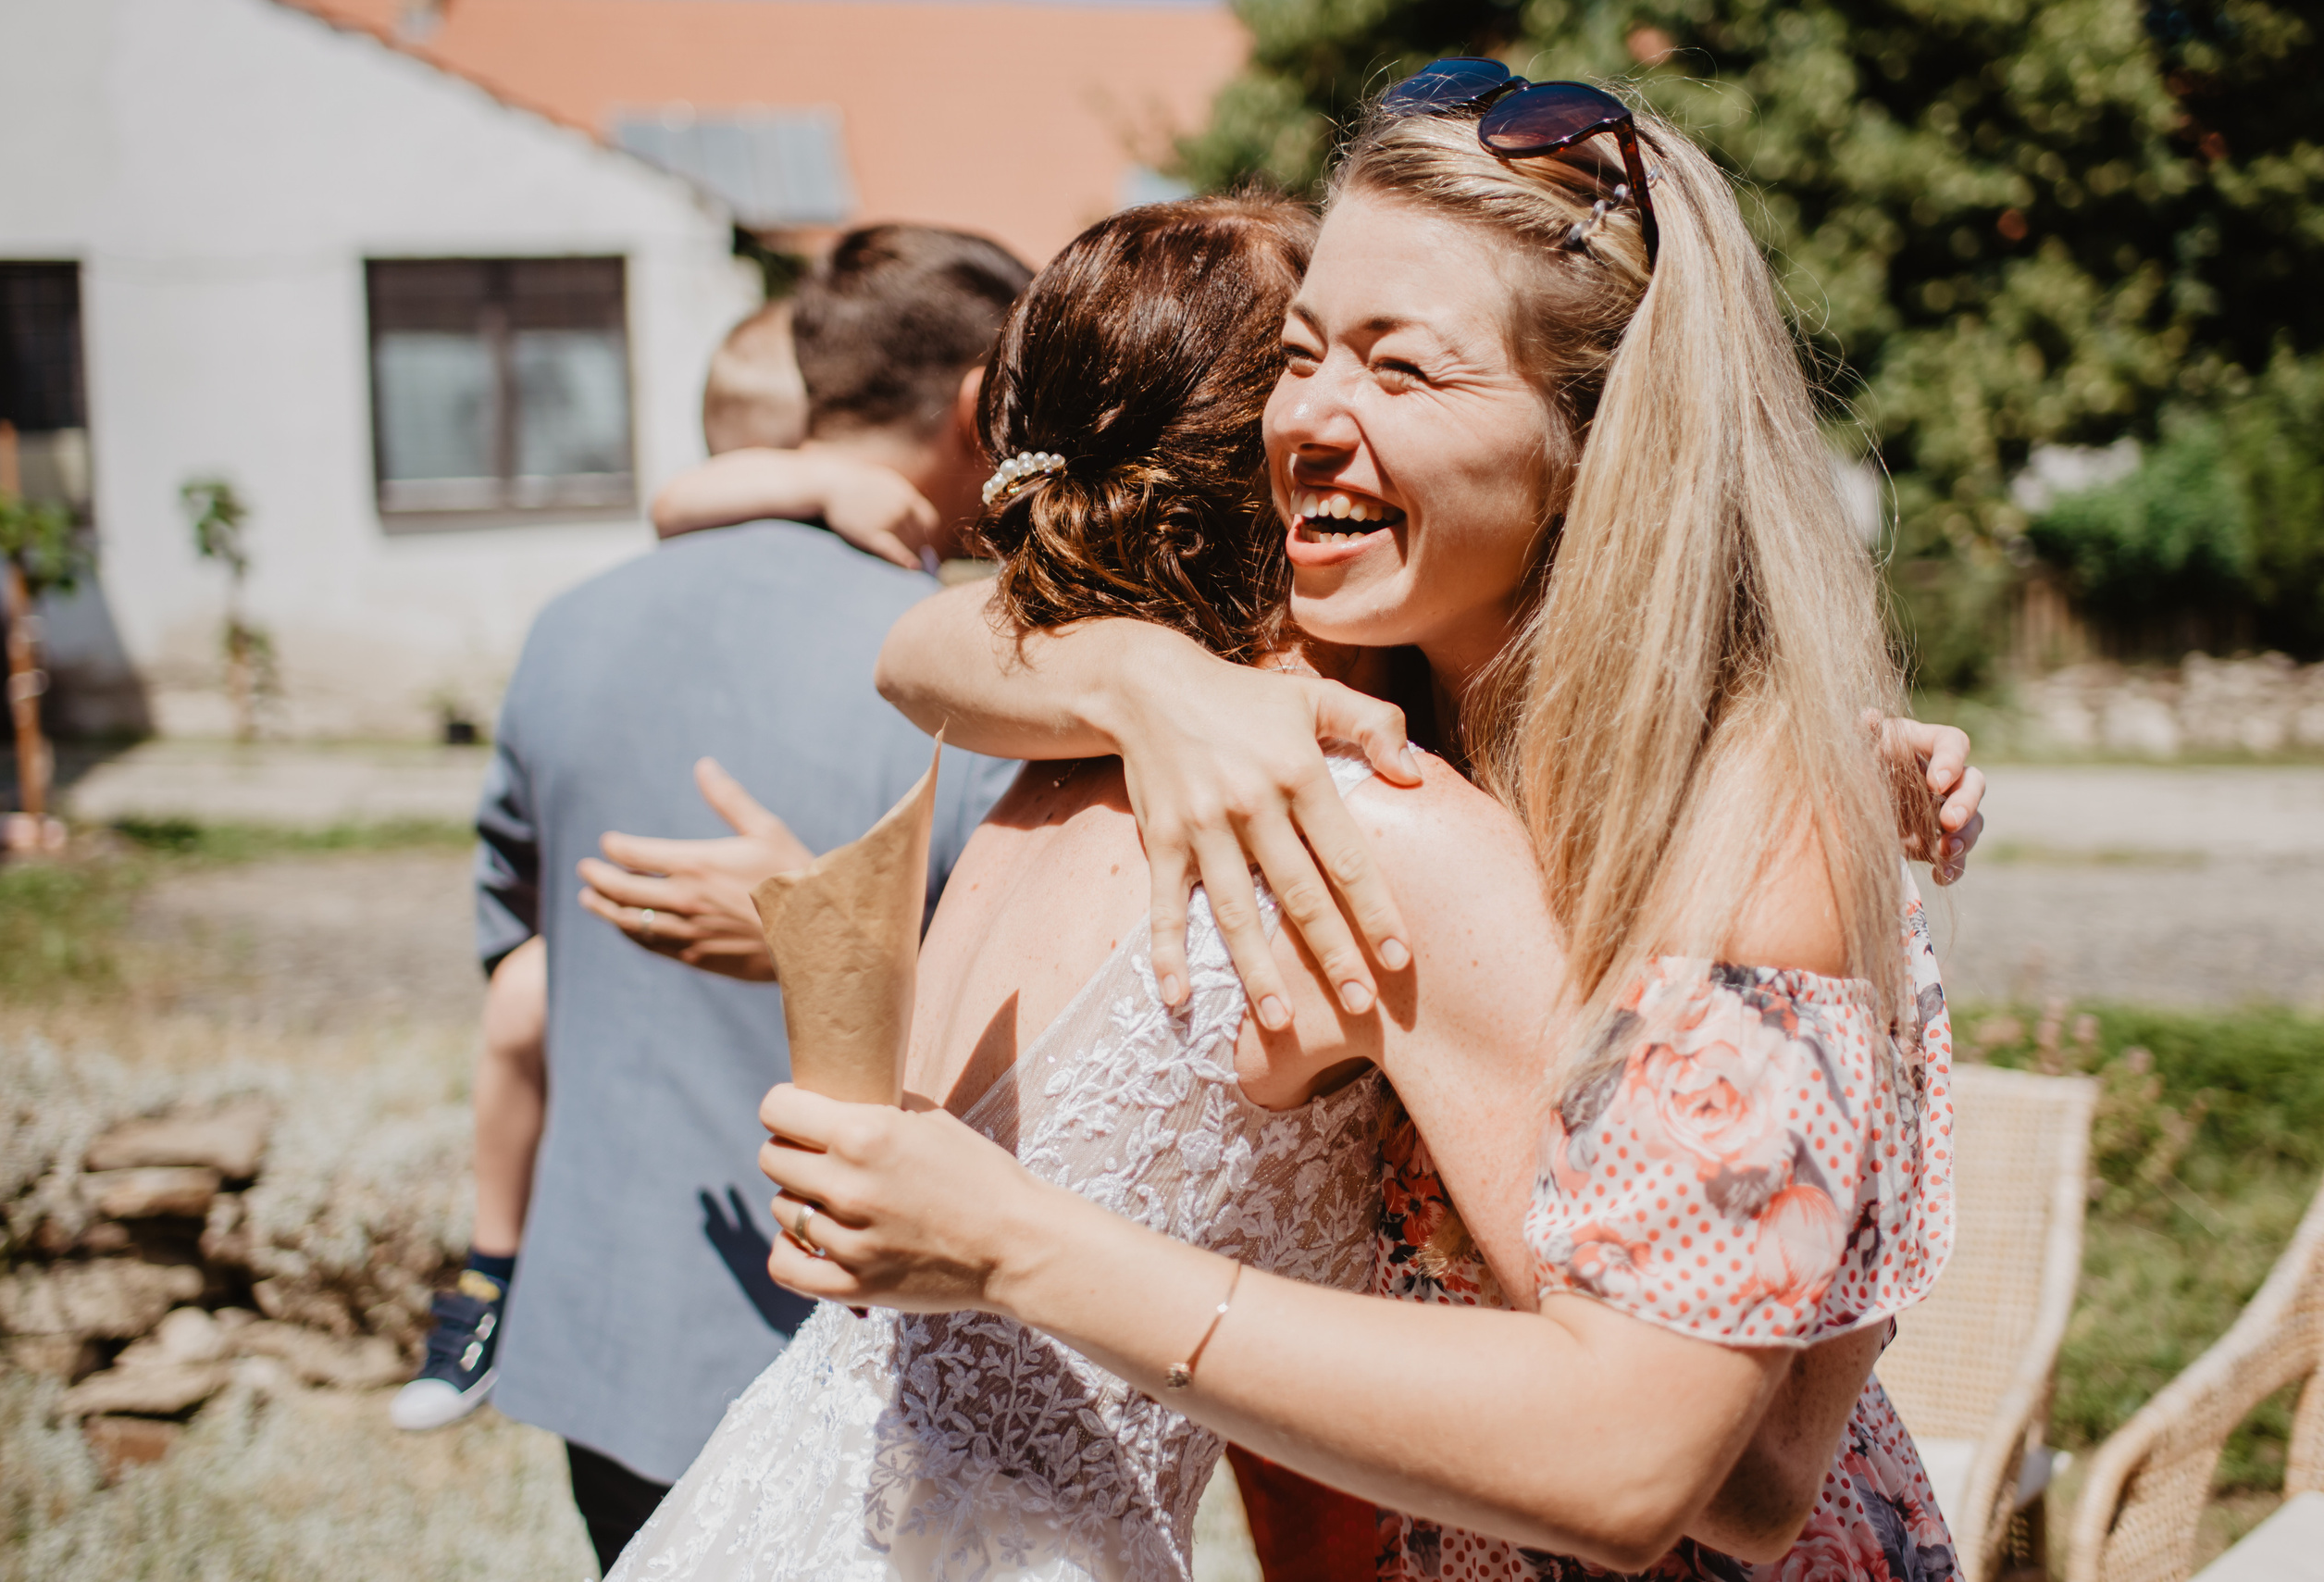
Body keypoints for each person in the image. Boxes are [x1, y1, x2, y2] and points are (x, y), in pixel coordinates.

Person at [741, 71, 1976, 1581]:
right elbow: (933, 644)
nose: (1311, 418)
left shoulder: (1749, 813)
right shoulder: (1355, 702)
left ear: (1595, 435)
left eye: (1403, 370)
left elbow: (1699, 1467)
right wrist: (1141, 674)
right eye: (1305, 353)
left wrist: (1013, 1242)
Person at [408, 223, 1030, 1573]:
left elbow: (514, 952)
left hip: (600, 1334)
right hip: (833, 1374)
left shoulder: (571, 623)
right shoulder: (983, 688)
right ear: (986, 407)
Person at [389, 294, 820, 1439]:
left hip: (617, 1306)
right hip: (806, 1289)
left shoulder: (570, 623)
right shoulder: (918, 626)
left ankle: (491, 1270)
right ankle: (487, 1265)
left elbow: (508, 888)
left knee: (524, 985)